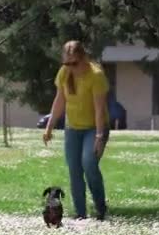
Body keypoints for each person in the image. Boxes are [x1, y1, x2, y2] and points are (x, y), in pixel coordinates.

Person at [43, 40, 110, 221]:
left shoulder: (96, 76)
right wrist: (49, 126)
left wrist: (99, 136)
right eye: (67, 63)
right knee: (74, 169)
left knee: (89, 164)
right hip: (72, 128)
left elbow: (99, 109)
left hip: (95, 128)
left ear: (84, 58)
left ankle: (101, 208)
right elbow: (59, 101)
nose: (71, 67)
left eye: (74, 63)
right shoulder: (65, 73)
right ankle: (80, 214)